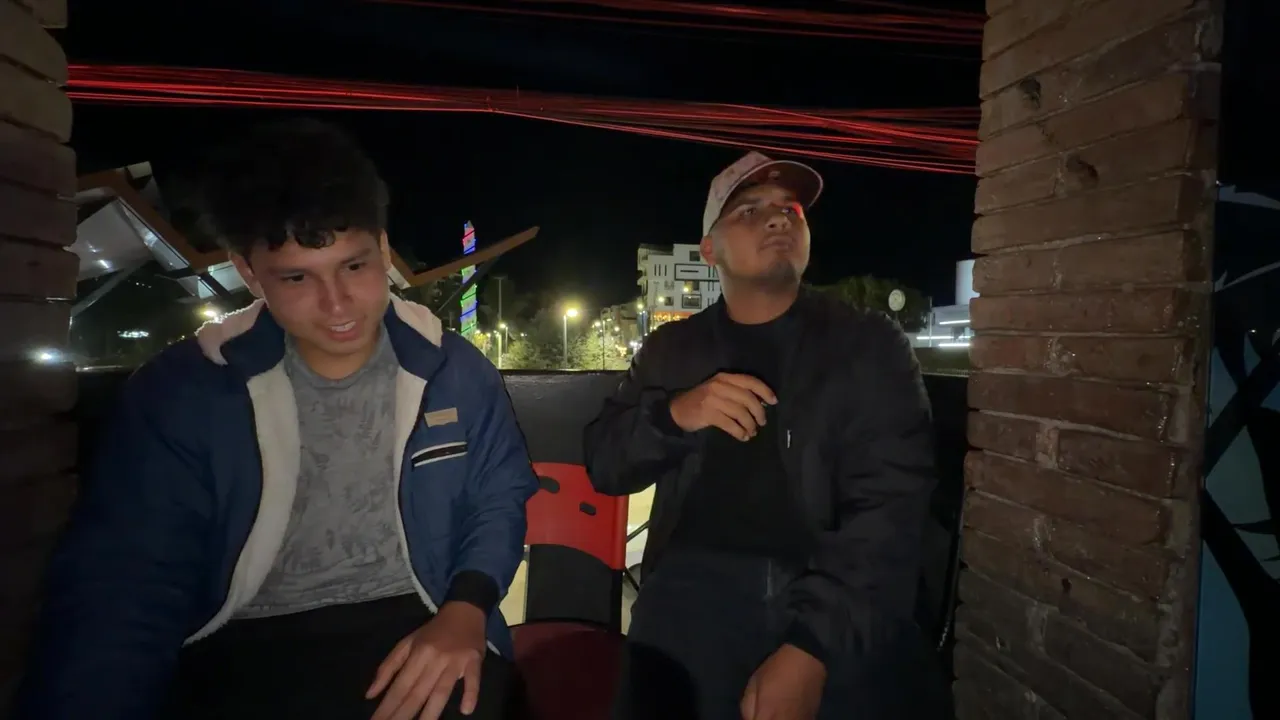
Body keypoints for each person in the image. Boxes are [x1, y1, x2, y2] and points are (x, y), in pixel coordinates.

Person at [16, 119, 536, 720]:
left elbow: (498, 498)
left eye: (354, 267)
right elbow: (125, 584)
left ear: (383, 248)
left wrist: (466, 609)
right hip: (240, 639)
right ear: (247, 271)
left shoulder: (453, 370)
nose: (337, 304)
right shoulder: (187, 391)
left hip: (427, 615)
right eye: (297, 277)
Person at [585, 151, 948, 719]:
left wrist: (812, 648)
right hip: (691, 589)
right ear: (710, 250)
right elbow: (605, 464)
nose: (779, 218)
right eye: (750, 211)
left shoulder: (867, 344)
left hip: (829, 578)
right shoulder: (672, 350)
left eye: (791, 210)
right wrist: (675, 415)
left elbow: (891, 512)